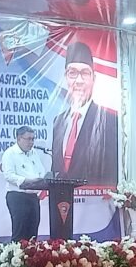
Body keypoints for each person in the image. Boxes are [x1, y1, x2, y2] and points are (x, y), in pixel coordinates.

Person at [51, 41, 118, 185]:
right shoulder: (58, 121)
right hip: (62, 196)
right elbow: (56, 167)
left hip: (94, 197)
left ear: (94, 78)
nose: (79, 81)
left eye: (85, 73)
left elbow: (112, 171)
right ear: (65, 77)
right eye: (72, 73)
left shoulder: (109, 121)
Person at [2, 126, 48, 241]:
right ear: (19, 139)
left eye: (33, 139)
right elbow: (8, 175)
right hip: (17, 196)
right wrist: (25, 181)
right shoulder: (10, 153)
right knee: (20, 233)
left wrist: (41, 180)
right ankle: (17, 253)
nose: (31, 142)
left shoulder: (34, 153)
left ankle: (31, 252)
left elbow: (41, 171)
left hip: (33, 197)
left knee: (33, 233)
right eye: (28, 139)